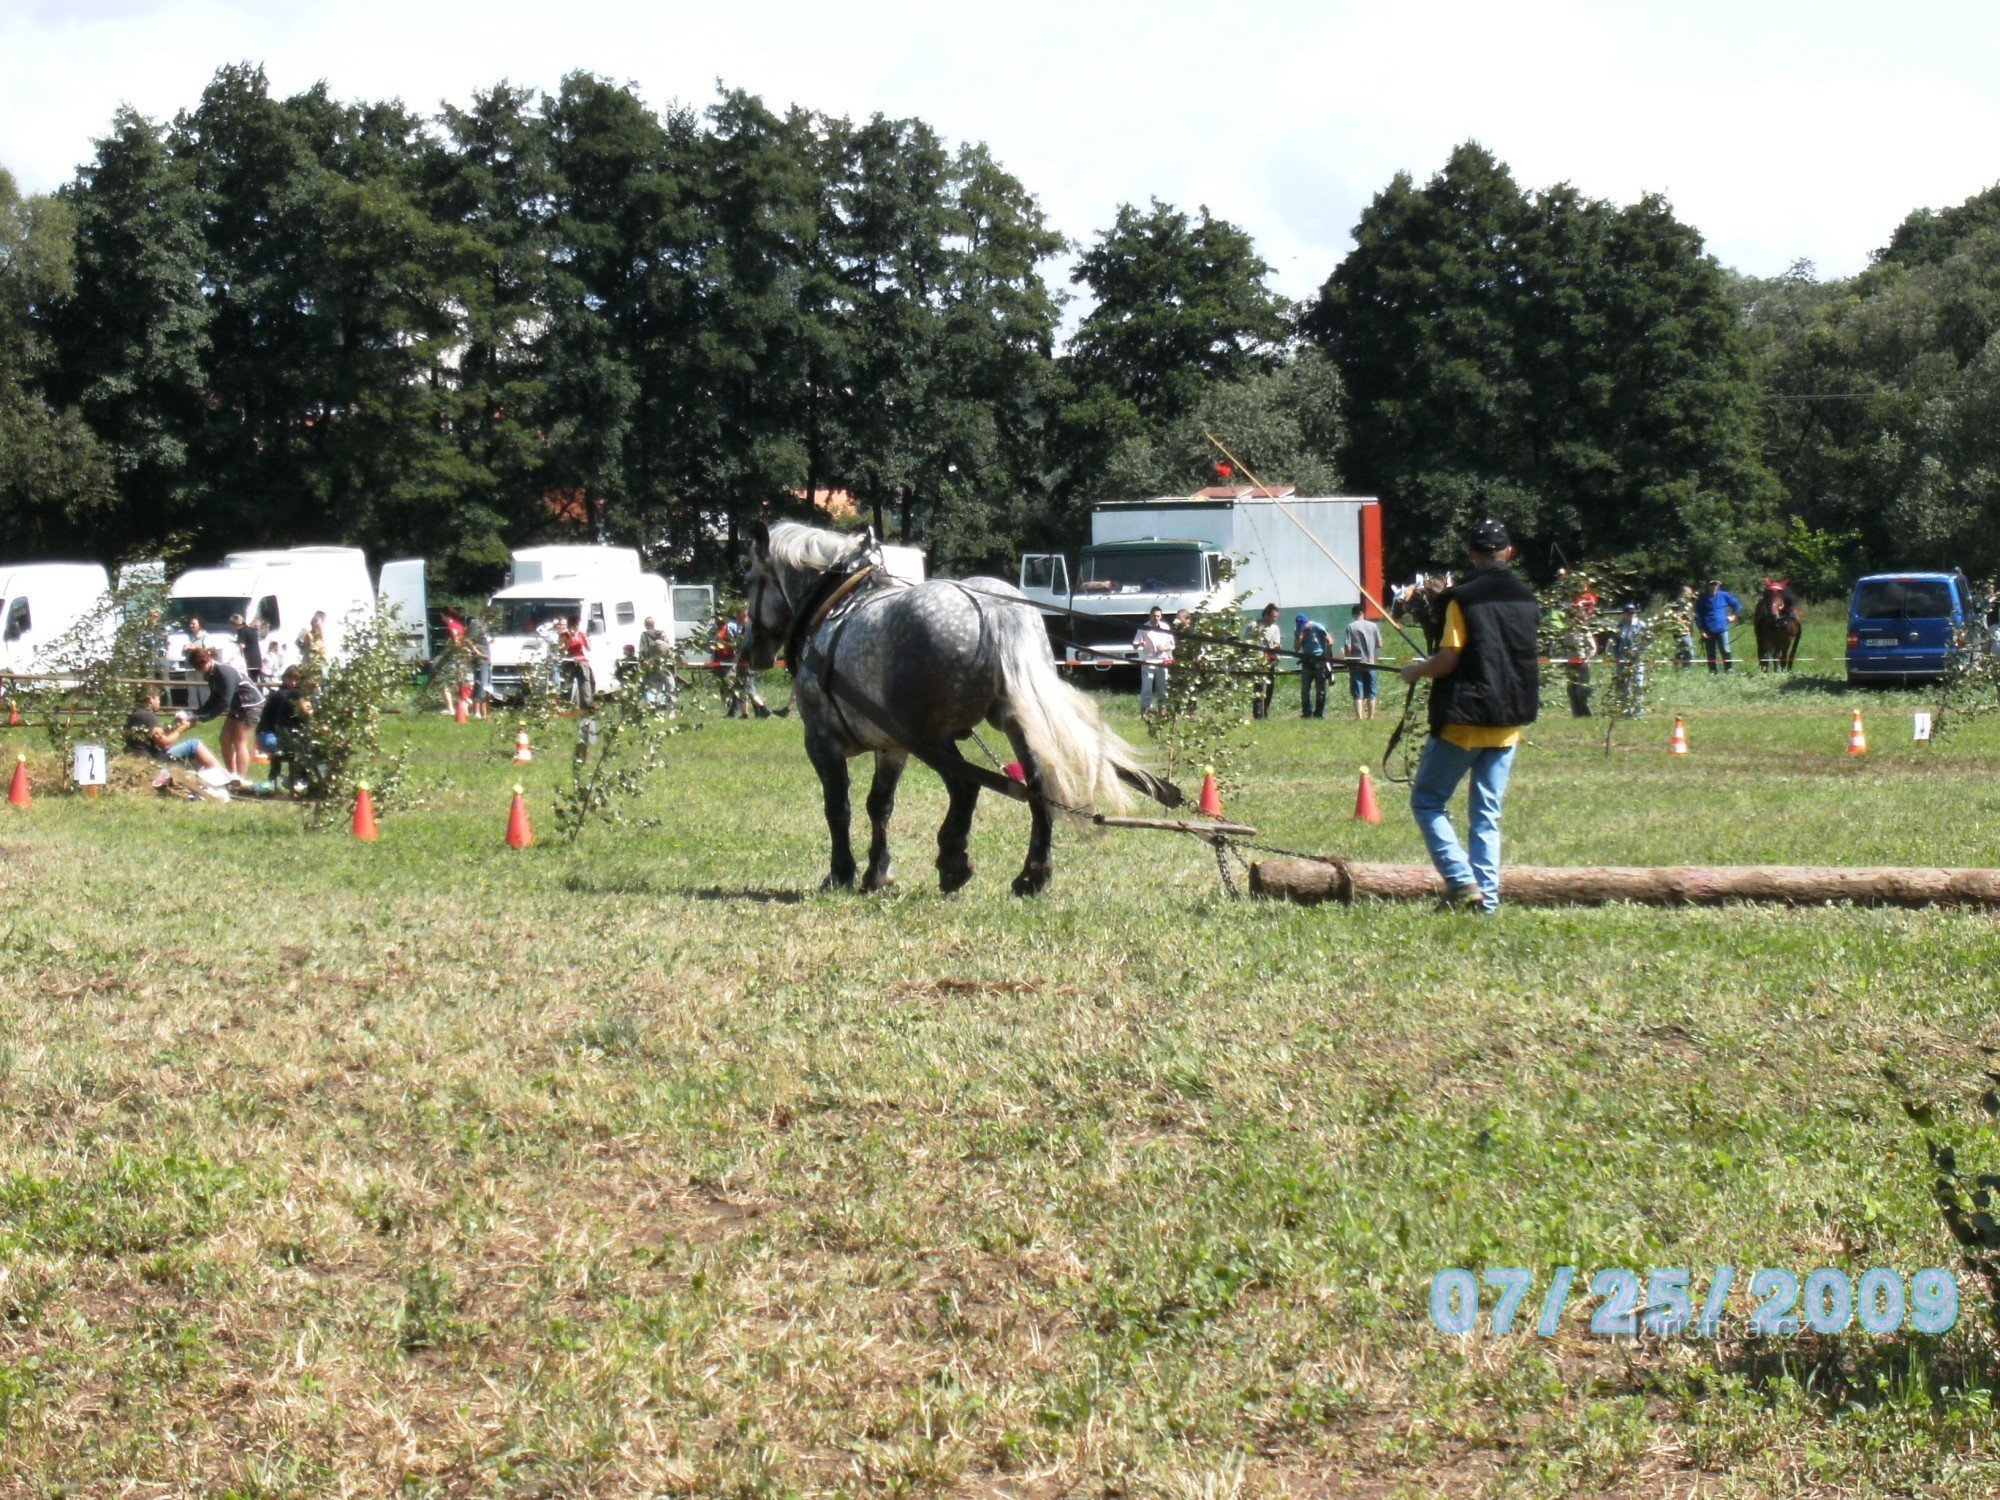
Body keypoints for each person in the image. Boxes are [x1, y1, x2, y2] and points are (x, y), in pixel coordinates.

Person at [1398, 518, 1540, 913]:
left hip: (1464, 720)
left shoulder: (1463, 598)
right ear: (1509, 553)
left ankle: (1461, 880)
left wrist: (1416, 670)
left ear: (1471, 554)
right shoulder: (1528, 598)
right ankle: (1487, 904)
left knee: (1427, 801)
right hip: (1508, 722)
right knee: (1486, 816)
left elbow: (1447, 661)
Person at [185, 644, 265, 778]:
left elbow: (223, 701)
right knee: (224, 739)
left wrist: (204, 717)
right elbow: (214, 698)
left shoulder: (223, 672)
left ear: (208, 660)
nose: (199, 669)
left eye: (201, 665)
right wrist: (197, 713)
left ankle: (240, 779)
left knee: (239, 742)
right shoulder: (210, 674)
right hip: (238, 704)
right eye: (197, 667)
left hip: (251, 703)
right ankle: (230, 775)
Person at [125, 690, 221, 771]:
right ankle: (221, 776)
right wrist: (182, 728)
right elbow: (165, 743)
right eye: (158, 698)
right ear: (151, 699)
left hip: (144, 755)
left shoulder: (137, 714)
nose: (159, 701)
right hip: (154, 757)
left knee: (191, 749)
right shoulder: (147, 716)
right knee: (194, 744)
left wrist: (175, 725)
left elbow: (158, 736)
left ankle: (206, 776)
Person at [256, 667, 313, 783]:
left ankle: (277, 773)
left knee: (295, 743)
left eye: (296, 679)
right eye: (290, 678)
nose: (293, 682)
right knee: (302, 748)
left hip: (264, 737)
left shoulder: (277, 694)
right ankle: (298, 780)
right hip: (269, 737)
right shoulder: (290, 694)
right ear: (284, 678)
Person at [1343, 603, 1382, 721]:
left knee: (1357, 689)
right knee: (1371, 689)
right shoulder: (1373, 626)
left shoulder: (1350, 627)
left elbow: (1348, 647)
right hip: (1370, 661)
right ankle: (1371, 716)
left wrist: (1346, 655)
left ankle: (1359, 716)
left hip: (1356, 662)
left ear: (1353, 614)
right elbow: (1380, 644)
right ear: (1363, 613)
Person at [1133, 606, 1174, 715]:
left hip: (1162, 661)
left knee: (1162, 688)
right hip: (1148, 661)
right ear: (1150, 615)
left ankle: (1162, 712)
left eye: (1158, 616)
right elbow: (1135, 644)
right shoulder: (1143, 628)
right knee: (1146, 688)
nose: (1156, 618)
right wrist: (1140, 644)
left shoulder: (1165, 627)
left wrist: (1164, 648)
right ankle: (1144, 713)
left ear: (1161, 616)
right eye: (1154, 615)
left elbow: (1172, 644)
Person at [1697, 579, 1741, 673]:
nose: (1713, 586)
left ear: (1718, 585)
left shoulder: (1724, 595)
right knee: (1711, 653)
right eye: (1711, 584)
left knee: (1725, 650)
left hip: (1722, 628)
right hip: (1708, 629)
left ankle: (1729, 670)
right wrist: (1702, 631)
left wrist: (1734, 615)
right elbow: (1699, 616)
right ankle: (1713, 673)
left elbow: (1737, 604)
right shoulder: (1702, 598)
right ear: (1708, 585)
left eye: (1715, 584)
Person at [1612, 602, 1648, 715]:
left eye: (1633, 612)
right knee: (1623, 686)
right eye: (1628, 613)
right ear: (1624, 614)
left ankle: (1638, 712)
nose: (1631, 615)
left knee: (1637, 684)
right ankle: (1625, 711)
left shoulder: (1641, 625)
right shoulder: (1620, 625)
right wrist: (1616, 655)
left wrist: (1640, 654)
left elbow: (1647, 642)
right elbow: (1615, 642)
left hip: (1637, 659)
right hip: (1622, 659)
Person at [638, 615, 676, 713]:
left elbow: (642, 651)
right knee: (670, 686)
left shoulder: (644, 635)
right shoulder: (661, 634)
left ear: (645, 625)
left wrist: (642, 664)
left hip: (652, 666)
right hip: (665, 667)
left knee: (655, 688)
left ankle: (657, 709)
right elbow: (671, 652)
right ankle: (671, 708)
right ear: (653, 624)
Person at [559, 614, 596, 712]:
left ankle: (586, 707)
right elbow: (562, 651)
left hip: (581, 660)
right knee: (567, 684)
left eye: (577, 625)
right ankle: (565, 706)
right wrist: (568, 640)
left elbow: (588, 648)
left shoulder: (581, 634)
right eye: (574, 625)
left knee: (585, 682)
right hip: (569, 660)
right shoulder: (564, 635)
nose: (576, 627)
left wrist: (587, 638)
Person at [1251, 603, 1280, 719]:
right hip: (1257, 660)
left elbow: (1277, 644)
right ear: (1266, 615)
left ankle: (1265, 710)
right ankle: (1257, 712)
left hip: (1269, 660)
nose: (1275, 619)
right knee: (1258, 686)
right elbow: (1247, 641)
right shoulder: (1254, 626)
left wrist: (1270, 649)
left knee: (1269, 686)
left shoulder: (1275, 629)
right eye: (1273, 616)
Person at [1563, 614, 1595, 718]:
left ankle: (1586, 715)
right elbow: (1564, 648)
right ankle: (1576, 715)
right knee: (1572, 691)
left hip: (1582, 666)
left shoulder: (1584, 632)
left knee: (1581, 691)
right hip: (1570, 665)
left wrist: (1586, 658)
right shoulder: (1566, 632)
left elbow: (1592, 648)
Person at [464, 611, 492, 718]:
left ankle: (483, 713)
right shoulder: (475, 623)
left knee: (485, 686)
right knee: (480, 685)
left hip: (487, 659)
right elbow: (468, 640)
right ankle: (476, 712)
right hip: (481, 660)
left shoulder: (483, 624)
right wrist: (479, 654)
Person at [1669, 585, 1697, 669]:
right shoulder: (1679, 603)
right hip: (1682, 632)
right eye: (1689, 593)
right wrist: (1686, 628)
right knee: (1689, 652)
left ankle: (1677, 669)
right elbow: (1676, 616)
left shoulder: (1687, 603)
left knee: (1680, 652)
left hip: (1686, 631)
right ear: (1684, 593)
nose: (1690, 595)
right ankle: (1686, 669)